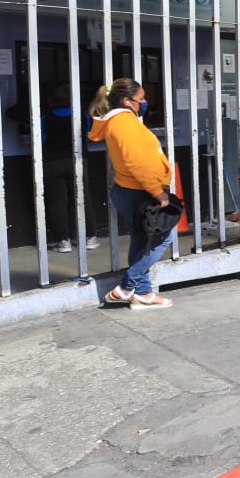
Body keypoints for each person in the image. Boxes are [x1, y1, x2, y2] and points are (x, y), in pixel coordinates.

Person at [88, 78, 176, 309]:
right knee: (162, 237)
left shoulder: (123, 120)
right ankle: (127, 288)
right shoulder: (124, 123)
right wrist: (158, 193)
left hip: (132, 190)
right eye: (141, 98)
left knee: (142, 240)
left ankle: (144, 294)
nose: (145, 102)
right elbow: (137, 162)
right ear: (127, 101)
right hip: (139, 191)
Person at [43, 83, 99, 253]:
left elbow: (41, 137)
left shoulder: (45, 117)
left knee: (57, 201)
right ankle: (90, 237)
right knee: (83, 198)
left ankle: (64, 241)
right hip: (78, 161)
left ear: (51, 99)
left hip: (52, 162)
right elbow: (90, 133)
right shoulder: (82, 115)